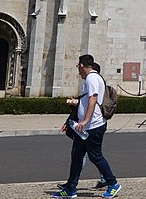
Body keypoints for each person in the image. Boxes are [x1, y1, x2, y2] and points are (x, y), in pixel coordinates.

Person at [54, 54, 120, 198]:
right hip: (85, 127)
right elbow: (86, 101)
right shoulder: (93, 78)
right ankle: (70, 189)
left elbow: (93, 98)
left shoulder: (92, 78)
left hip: (93, 125)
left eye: (78, 66)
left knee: (95, 156)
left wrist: (85, 120)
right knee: (77, 156)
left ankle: (113, 183)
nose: (78, 70)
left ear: (82, 65)